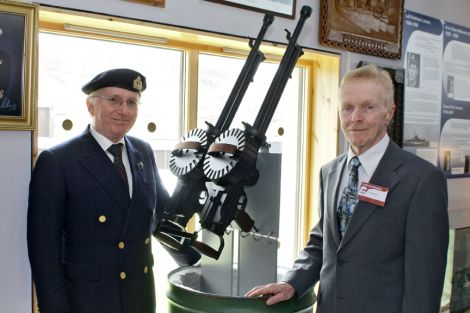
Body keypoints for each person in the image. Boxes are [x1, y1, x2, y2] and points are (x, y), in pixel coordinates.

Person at [246, 64, 449, 313]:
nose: (356, 118)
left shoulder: (422, 180)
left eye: (369, 107)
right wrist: (291, 283)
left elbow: (424, 282)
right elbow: (323, 243)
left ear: (390, 113)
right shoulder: (329, 172)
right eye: (348, 108)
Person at [27, 68, 200, 313]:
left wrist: (193, 180)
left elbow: (163, 215)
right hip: (88, 299)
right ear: (90, 106)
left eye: (132, 102)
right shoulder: (58, 160)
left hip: (139, 296)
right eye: (114, 100)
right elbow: (44, 250)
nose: (124, 110)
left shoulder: (143, 151)